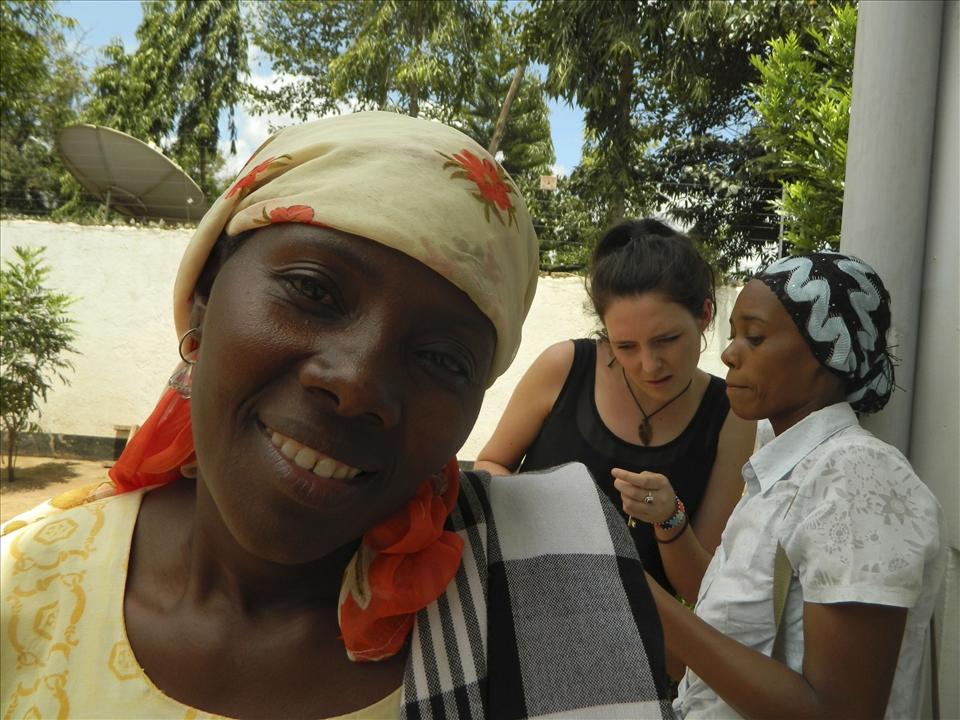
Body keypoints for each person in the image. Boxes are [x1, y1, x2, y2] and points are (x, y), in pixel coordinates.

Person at [0, 113, 675, 719]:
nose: (357, 385)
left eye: (442, 358)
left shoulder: (544, 615)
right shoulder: (23, 585)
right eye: (312, 290)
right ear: (205, 297)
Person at [630, 253, 945, 718]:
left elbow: (840, 711)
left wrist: (640, 595)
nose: (728, 353)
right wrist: (670, 522)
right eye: (734, 334)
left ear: (828, 352)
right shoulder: (784, 469)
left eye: (754, 337)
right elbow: (733, 619)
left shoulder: (859, 481)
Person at [475, 219, 755, 601]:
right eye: (626, 347)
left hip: (641, 644)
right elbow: (490, 464)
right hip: (527, 607)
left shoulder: (732, 417)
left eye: (667, 339)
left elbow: (698, 587)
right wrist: (537, 514)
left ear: (704, 315)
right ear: (605, 332)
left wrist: (670, 518)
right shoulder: (564, 366)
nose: (649, 364)